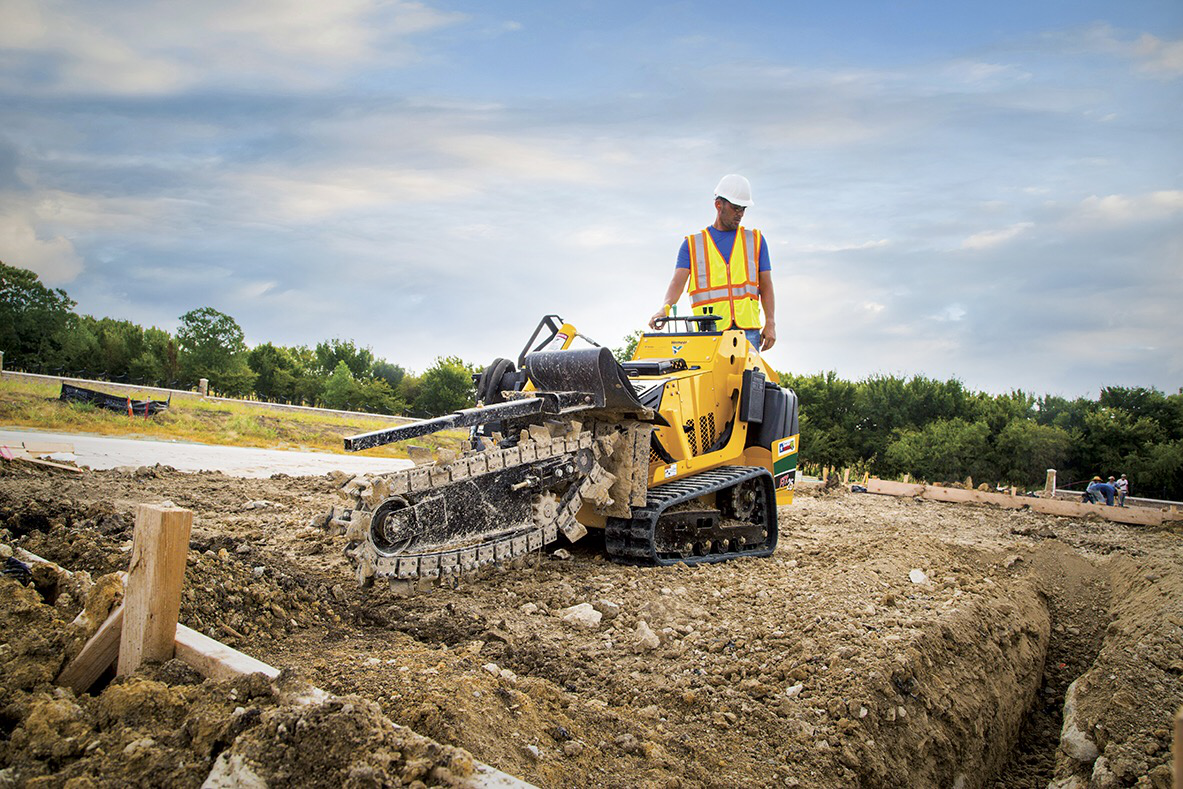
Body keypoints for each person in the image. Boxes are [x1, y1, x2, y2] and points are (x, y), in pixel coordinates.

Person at [649, 174, 776, 351]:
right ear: (718, 205)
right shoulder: (693, 245)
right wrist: (665, 308)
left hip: (748, 332)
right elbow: (677, 283)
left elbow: (766, 285)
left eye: (743, 209)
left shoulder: (755, 241)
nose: (740, 214)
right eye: (735, 208)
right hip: (709, 331)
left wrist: (770, 322)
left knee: (749, 371)